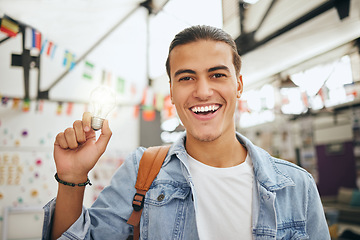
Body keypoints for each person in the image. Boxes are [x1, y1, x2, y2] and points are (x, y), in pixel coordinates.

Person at [42, 25, 330, 240]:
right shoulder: (141, 171)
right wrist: (71, 178)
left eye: (217, 74)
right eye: (186, 77)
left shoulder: (297, 187)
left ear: (239, 85)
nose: (203, 91)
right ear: (171, 91)